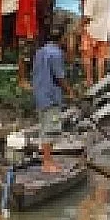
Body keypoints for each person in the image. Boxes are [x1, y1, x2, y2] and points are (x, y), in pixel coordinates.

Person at [32, 30, 73, 173]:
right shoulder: (56, 54)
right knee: (50, 130)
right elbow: (59, 77)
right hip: (51, 97)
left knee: (44, 128)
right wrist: (70, 91)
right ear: (61, 39)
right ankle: (47, 163)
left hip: (40, 95)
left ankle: (47, 160)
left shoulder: (40, 52)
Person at [81, 0, 110, 87]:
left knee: (87, 56)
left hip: (91, 30)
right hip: (103, 30)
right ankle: (100, 81)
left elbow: (87, 16)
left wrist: (80, 26)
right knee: (100, 58)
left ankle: (89, 80)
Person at [15, 0, 38, 90]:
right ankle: (22, 80)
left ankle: (26, 78)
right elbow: (25, 14)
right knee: (24, 56)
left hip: (29, 30)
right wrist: (29, 31)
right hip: (25, 31)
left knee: (28, 56)